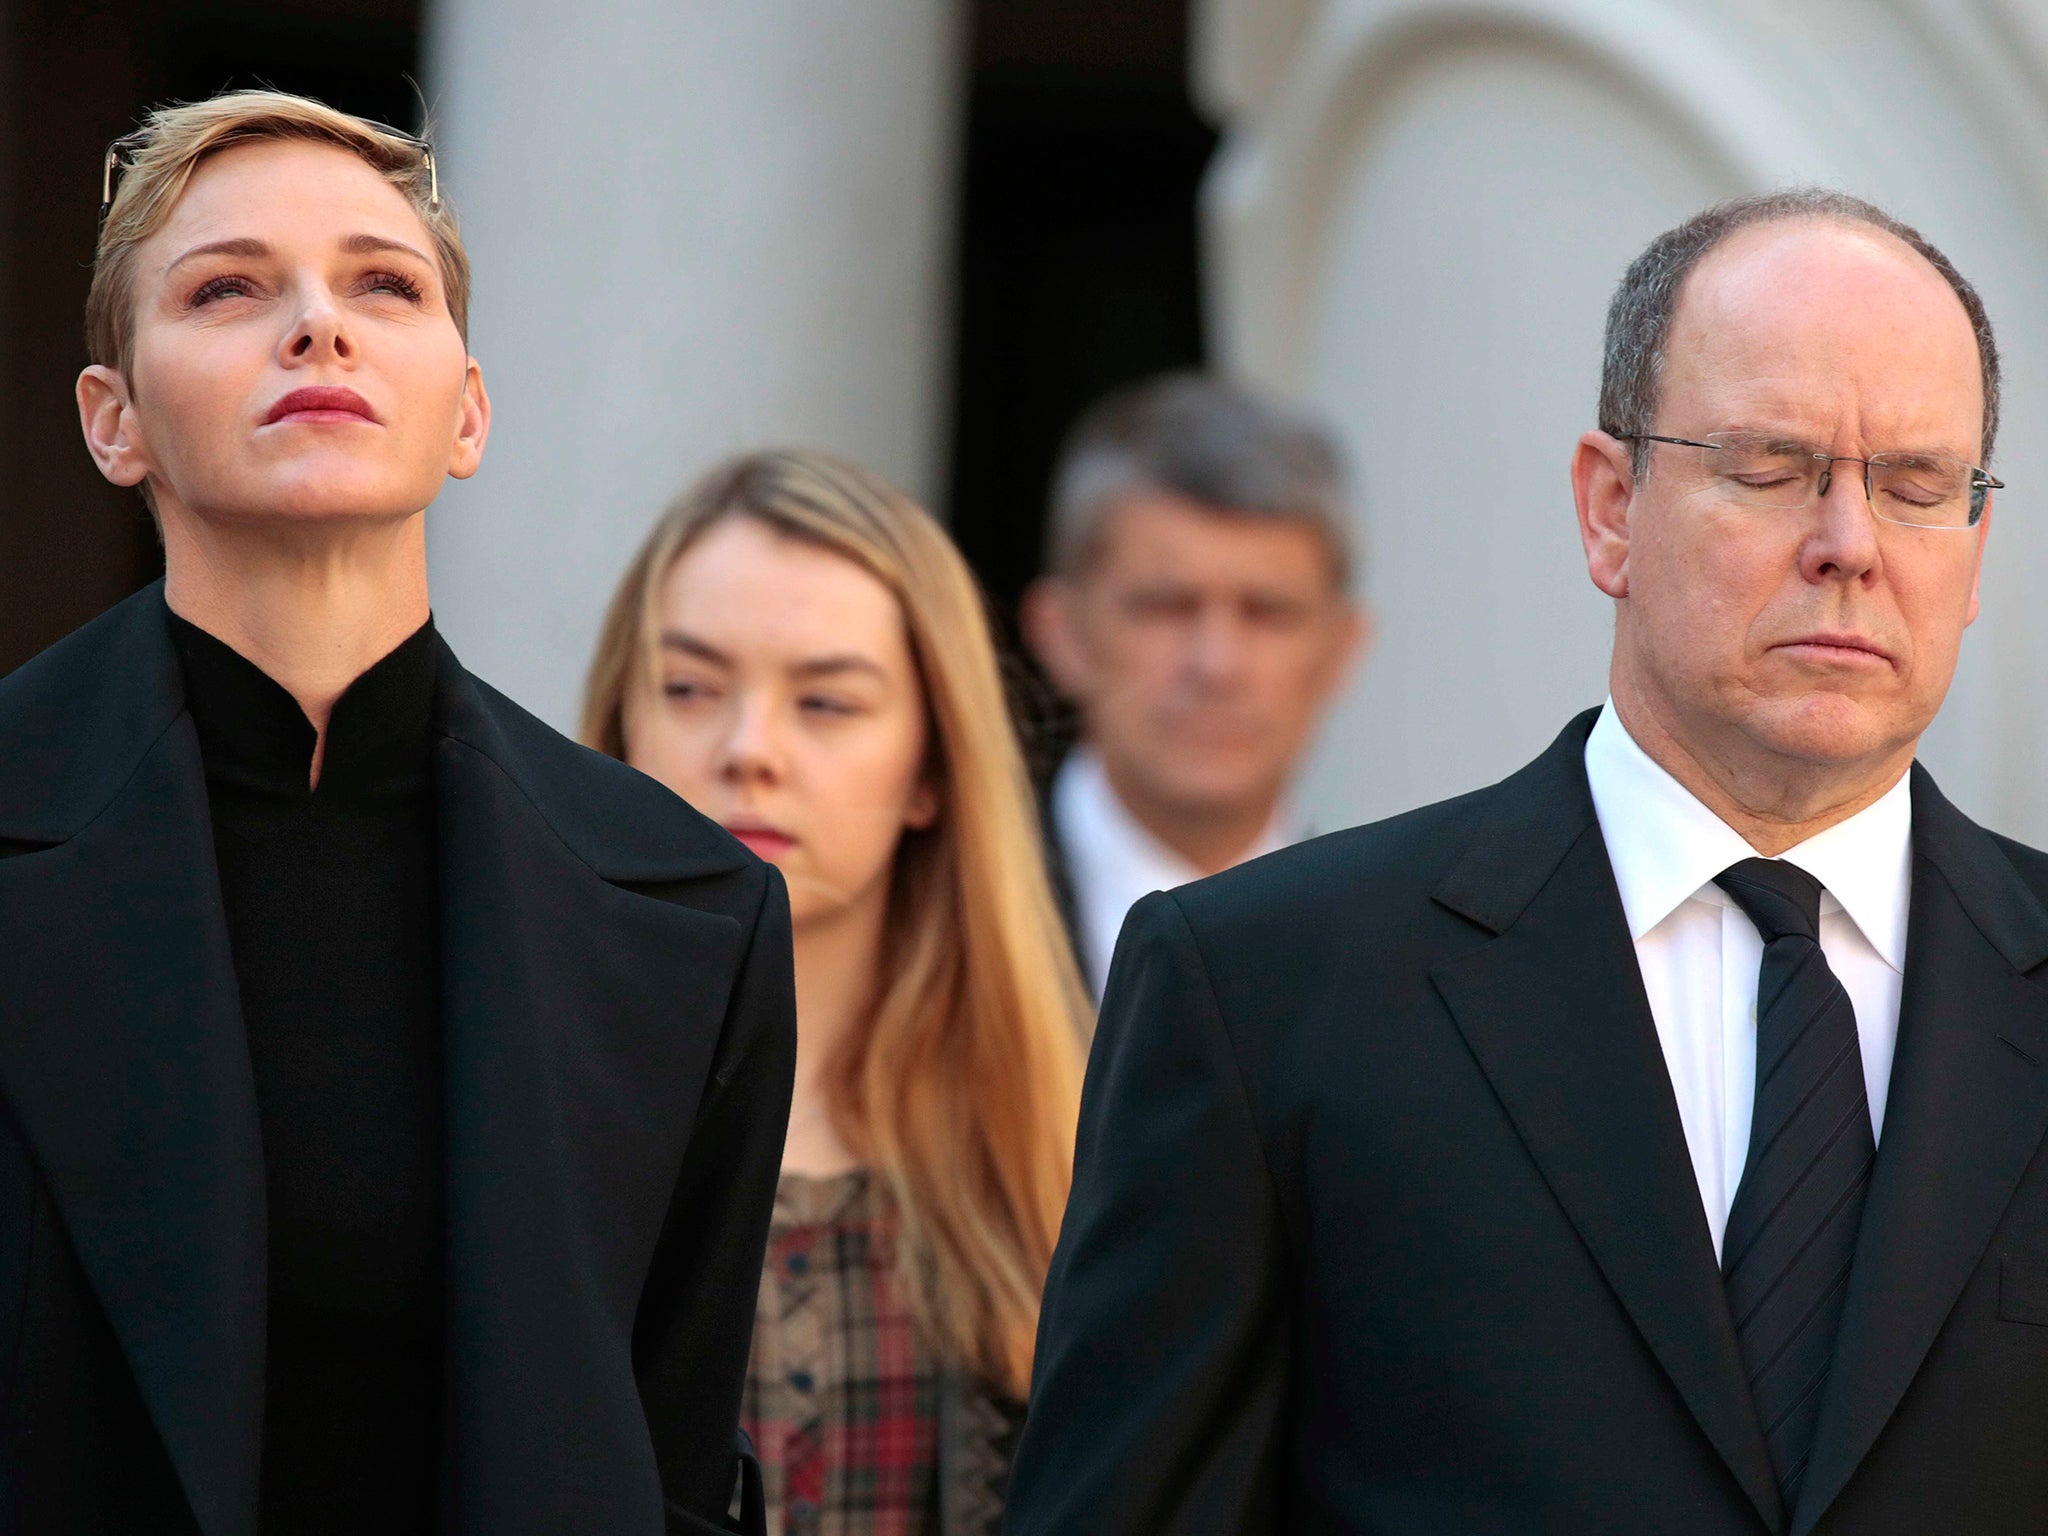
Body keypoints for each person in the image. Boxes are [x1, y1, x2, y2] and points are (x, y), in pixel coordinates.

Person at [1006, 189, 2048, 1534]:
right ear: (1611, 509)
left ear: (1975, 548)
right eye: (1768, 466)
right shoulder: (1261, 988)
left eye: (1912, 486)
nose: (1847, 545)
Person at [0, 91, 795, 1536]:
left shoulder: (687, 908)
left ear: (467, 413)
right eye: (228, 289)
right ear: (114, 422)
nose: (319, 326)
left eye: (384, 285)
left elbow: (669, 1468)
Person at [583, 449, 1088, 1536]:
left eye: (826, 700)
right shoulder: (524, 1110)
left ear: (930, 767)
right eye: (689, 688)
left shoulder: (1065, 1149)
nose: (749, 750)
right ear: (618, 726)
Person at [1020, 373, 1367, 997]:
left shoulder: (1399, 957)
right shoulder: (928, 918)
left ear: (1340, 650)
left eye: (1267, 612)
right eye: (1166, 606)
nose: (1216, 664)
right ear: (1061, 634)